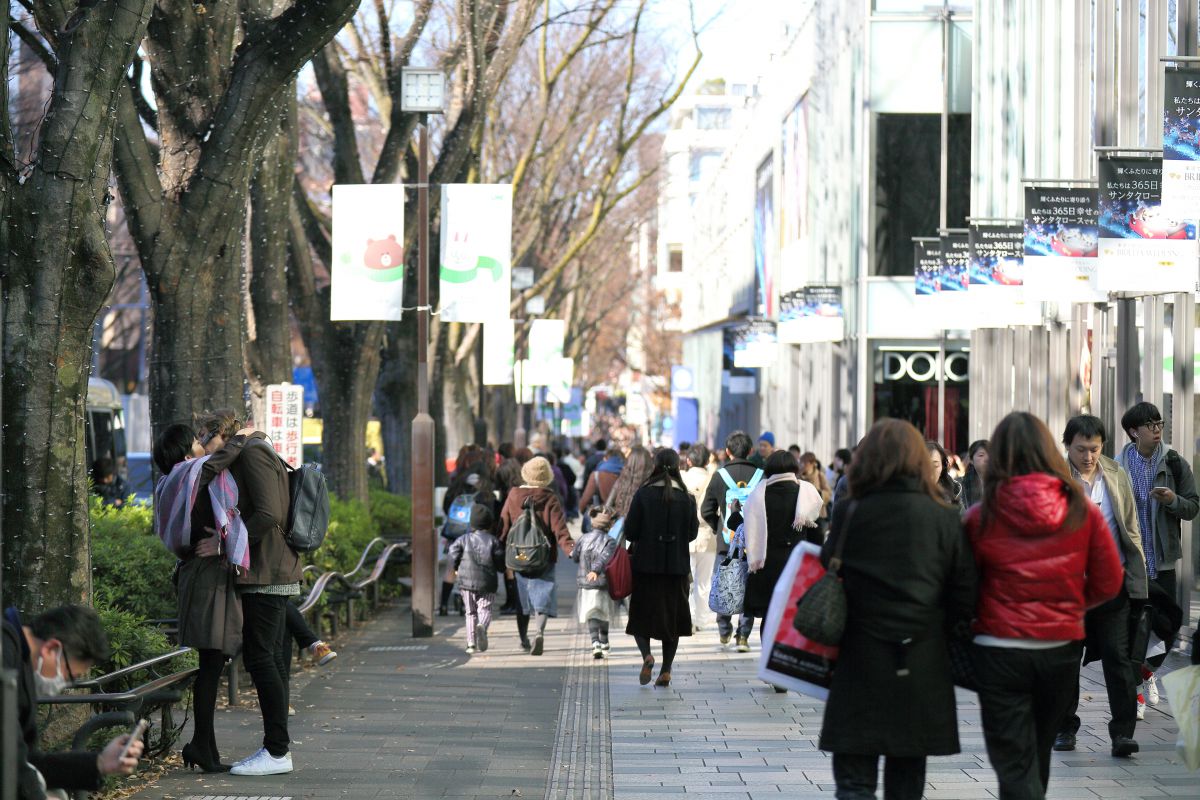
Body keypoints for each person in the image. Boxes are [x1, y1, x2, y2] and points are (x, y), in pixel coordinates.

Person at [965, 412, 1123, 797]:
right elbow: (1109, 580)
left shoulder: (980, 516)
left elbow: (960, 587)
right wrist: (1070, 607)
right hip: (1059, 649)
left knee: (1013, 762)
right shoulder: (1081, 510)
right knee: (1038, 753)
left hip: (998, 650)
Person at [816, 420, 975, 800]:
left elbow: (828, 564)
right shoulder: (943, 515)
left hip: (859, 653)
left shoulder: (851, 510)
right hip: (922, 657)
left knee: (855, 776)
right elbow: (965, 593)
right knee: (907, 770)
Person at [153, 422, 260, 772]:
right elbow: (217, 461)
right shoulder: (188, 476)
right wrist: (243, 438)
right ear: (185, 456)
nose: (203, 447)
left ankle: (206, 748)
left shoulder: (173, 482)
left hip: (201, 578)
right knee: (211, 664)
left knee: (212, 664)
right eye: (196, 444)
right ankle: (202, 747)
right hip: (206, 579)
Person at [196, 410, 297, 777]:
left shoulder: (252, 452)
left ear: (222, 433)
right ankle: (276, 748)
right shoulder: (250, 450)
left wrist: (226, 543)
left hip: (268, 570)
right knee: (267, 658)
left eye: (205, 438)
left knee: (261, 659)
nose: (203, 447)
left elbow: (268, 513)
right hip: (266, 569)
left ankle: (277, 751)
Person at [1053, 415, 1148, 757]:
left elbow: (1130, 526)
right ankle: (1064, 728)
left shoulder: (1116, 474)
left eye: (1094, 449)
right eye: (1081, 449)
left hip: (1112, 587)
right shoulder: (1055, 478)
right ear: (1068, 446)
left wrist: (1137, 580)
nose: (1089, 456)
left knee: (1118, 660)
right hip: (1069, 589)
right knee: (1066, 659)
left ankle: (1122, 734)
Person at [2, 605, 145, 798]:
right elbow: (13, 764)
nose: (63, 686)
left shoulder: (17, 659)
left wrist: (100, 762)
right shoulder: (5, 654)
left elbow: (27, 760)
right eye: (70, 676)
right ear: (52, 649)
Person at [1115, 401, 1199, 710]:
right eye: (1151, 425)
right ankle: (1135, 692)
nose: (1157, 430)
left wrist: (1173, 500)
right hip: (1130, 562)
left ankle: (1147, 671)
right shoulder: (1116, 466)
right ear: (1134, 432)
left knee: (1169, 625)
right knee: (1132, 629)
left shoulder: (1174, 463)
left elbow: (1192, 506)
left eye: (1159, 423)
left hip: (1161, 561)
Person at [743, 450, 823, 691]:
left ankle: (770, 662)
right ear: (794, 468)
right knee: (789, 616)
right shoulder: (807, 492)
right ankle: (782, 669)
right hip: (796, 564)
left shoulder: (759, 494)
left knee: (769, 614)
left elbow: (747, 528)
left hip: (765, 563)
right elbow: (816, 533)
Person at [623, 448, 698, 688]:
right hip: (676, 568)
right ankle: (666, 670)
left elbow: (631, 531)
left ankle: (646, 655)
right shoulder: (687, 498)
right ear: (678, 466)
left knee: (640, 616)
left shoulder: (643, 494)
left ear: (654, 466)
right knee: (672, 620)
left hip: (646, 566)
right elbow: (692, 533)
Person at [499, 456, 574, 655]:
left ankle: (523, 639)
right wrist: (570, 549)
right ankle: (539, 632)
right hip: (543, 556)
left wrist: (498, 544)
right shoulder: (550, 498)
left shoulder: (513, 495)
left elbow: (503, 523)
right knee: (543, 592)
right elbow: (560, 529)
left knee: (522, 596)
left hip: (520, 556)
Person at [700, 431, 760, 651]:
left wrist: (720, 525)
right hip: (754, 540)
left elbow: (706, 509)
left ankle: (724, 629)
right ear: (751, 451)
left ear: (727, 452)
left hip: (727, 541)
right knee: (749, 585)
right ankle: (743, 635)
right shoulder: (760, 475)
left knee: (724, 582)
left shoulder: (719, 475)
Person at [448, 503, 506, 654]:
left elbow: (453, 552)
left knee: (470, 612)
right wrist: (501, 569)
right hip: (488, 582)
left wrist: (456, 568)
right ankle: (483, 626)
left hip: (466, 582)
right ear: (489, 523)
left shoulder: (463, 539)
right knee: (485, 609)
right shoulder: (493, 541)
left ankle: (471, 644)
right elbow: (500, 560)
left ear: (471, 523)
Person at [571, 508, 621, 658]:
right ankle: (604, 642)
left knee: (591, 613)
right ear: (607, 526)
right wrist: (596, 570)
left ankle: (595, 643)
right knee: (603, 612)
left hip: (585, 583)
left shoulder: (583, 538)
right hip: (603, 583)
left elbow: (575, 557)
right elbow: (605, 558)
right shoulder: (610, 541)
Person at [682, 444, 718, 632]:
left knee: (687, 580)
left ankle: (686, 618)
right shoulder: (713, 479)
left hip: (685, 535)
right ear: (706, 461)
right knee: (704, 582)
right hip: (707, 535)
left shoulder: (682, 478)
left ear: (689, 460)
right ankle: (701, 620)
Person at [798, 452, 833, 537]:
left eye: (805, 462)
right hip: (802, 515)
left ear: (812, 463)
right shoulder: (798, 476)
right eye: (801, 462)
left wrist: (818, 493)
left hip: (817, 515)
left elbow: (828, 493)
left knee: (816, 539)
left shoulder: (819, 475)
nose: (802, 465)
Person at [926, 440, 964, 510]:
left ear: (943, 467)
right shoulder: (909, 493)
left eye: (935, 465)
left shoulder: (955, 490)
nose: (930, 470)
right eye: (926, 465)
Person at [960, 439, 989, 508]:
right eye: (981, 455)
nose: (987, 459)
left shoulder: (1002, 483)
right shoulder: (961, 484)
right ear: (971, 460)